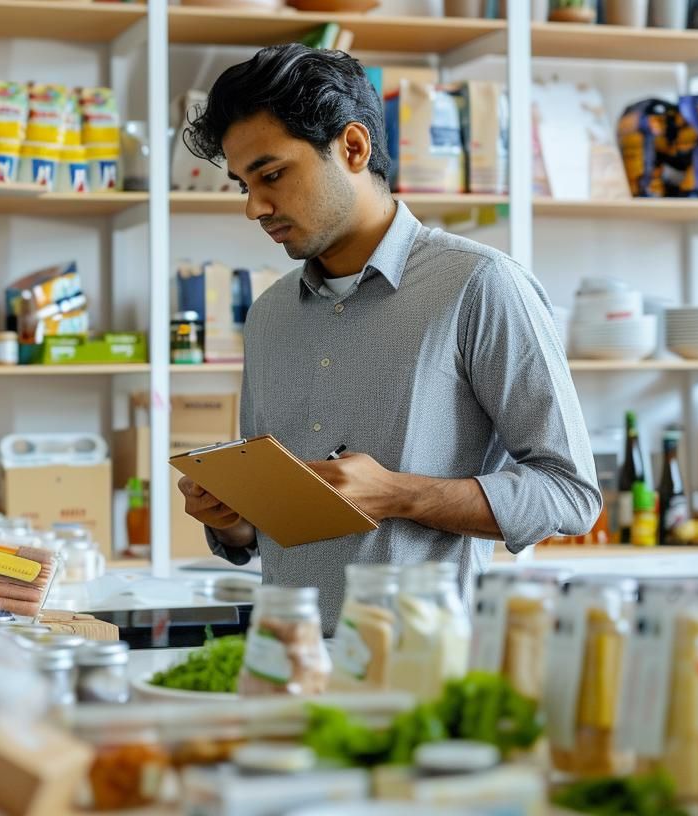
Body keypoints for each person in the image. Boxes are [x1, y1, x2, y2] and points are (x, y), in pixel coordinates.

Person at [177, 43, 600, 626]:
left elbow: (570, 495)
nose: (254, 207)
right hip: (284, 657)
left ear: (353, 147)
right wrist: (232, 517)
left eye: (271, 174)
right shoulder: (269, 313)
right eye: (243, 185)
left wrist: (400, 493)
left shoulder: (480, 285)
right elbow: (268, 526)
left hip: (421, 668)